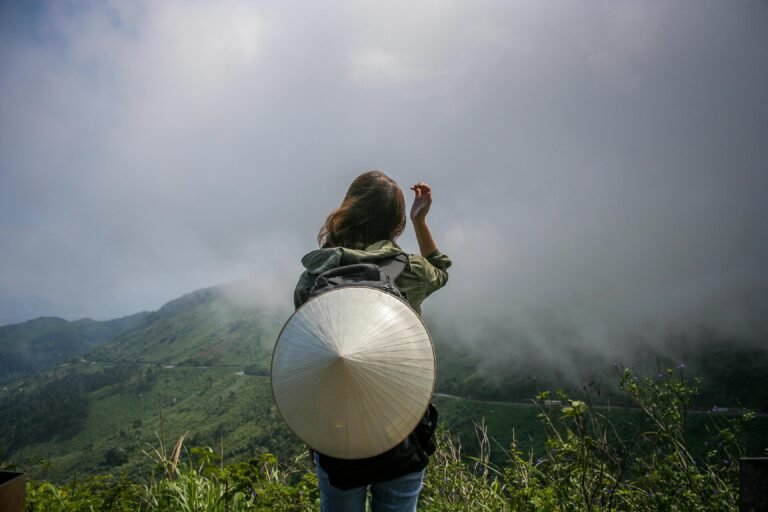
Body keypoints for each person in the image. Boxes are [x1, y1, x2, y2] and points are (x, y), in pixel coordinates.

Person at [293, 170, 451, 512]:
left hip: (338, 428)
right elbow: (441, 268)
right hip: (402, 423)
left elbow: (309, 356)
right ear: (395, 223)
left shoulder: (315, 275)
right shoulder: (411, 270)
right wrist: (421, 221)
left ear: (349, 209)